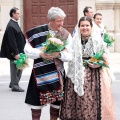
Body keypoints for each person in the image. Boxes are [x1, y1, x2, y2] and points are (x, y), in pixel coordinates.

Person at [60, 16, 116, 120]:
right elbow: (69, 55)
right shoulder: (74, 41)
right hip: (76, 72)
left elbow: (105, 56)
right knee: (77, 99)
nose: (85, 28)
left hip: (94, 75)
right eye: (82, 26)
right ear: (79, 27)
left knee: (90, 99)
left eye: (87, 25)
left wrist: (98, 63)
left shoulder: (98, 40)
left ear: (91, 27)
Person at [24, 7, 72, 120]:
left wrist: (59, 55)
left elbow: (70, 55)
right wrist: (40, 54)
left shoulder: (66, 35)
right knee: (36, 106)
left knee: (56, 105)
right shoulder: (36, 32)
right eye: (58, 21)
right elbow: (26, 50)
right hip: (39, 74)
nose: (62, 23)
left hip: (57, 75)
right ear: (50, 20)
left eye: (62, 20)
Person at [0, 7, 26, 92]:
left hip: (19, 50)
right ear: (13, 14)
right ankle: (15, 86)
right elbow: (12, 41)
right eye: (17, 13)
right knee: (15, 69)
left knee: (20, 67)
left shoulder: (14, 23)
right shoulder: (11, 25)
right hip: (15, 52)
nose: (19, 15)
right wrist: (16, 53)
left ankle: (13, 83)